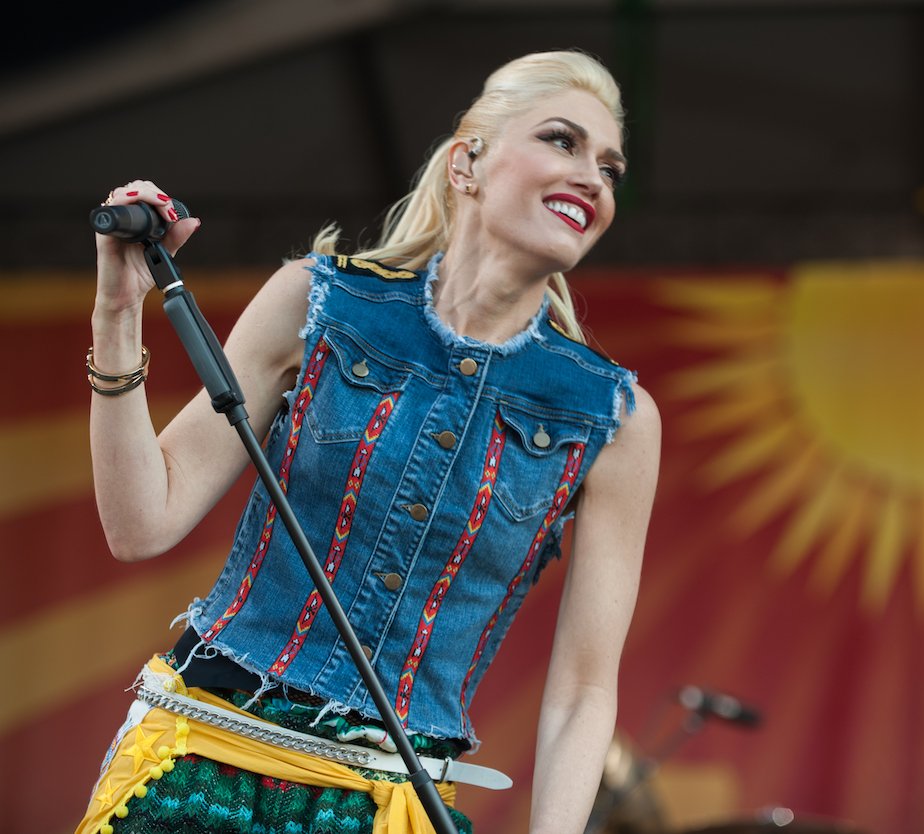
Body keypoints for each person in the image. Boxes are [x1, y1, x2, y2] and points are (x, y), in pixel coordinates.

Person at [76, 48, 660, 834]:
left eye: (611, 168)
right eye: (563, 141)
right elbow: (142, 524)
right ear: (467, 165)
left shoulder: (613, 416)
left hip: (390, 805)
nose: (594, 177)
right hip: (196, 765)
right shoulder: (320, 301)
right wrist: (118, 314)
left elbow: (584, 692)